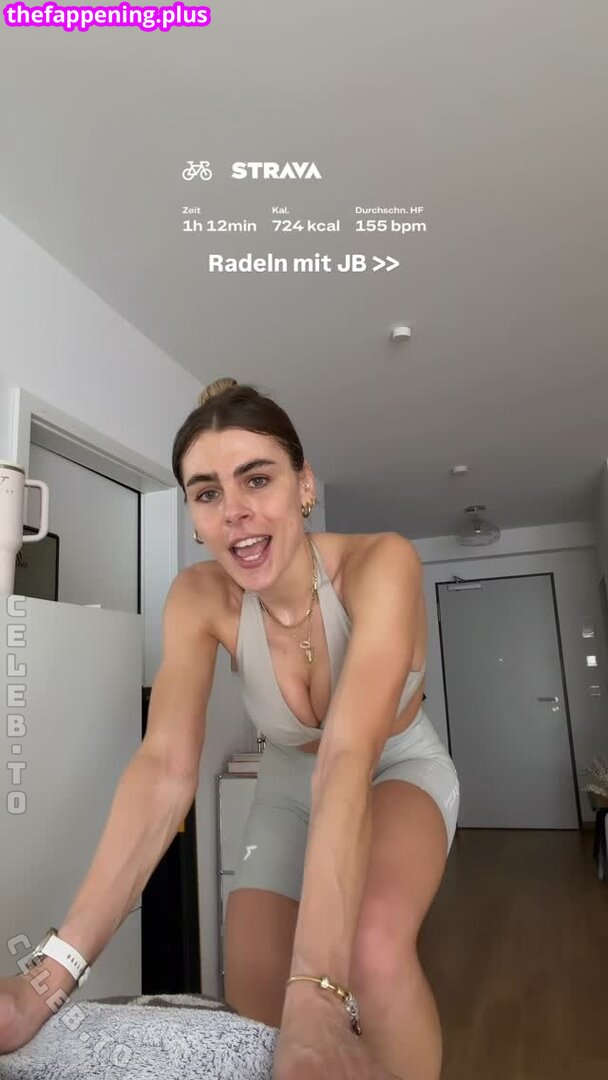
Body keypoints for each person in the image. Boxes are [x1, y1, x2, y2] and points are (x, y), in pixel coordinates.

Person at [0, 378, 459, 1080]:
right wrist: (48, 978)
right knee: (254, 981)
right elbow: (163, 772)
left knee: (368, 950)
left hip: (392, 766)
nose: (236, 511)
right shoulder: (196, 598)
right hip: (286, 784)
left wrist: (319, 997)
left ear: (304, 486)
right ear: (192, 515)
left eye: (258, 479)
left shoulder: (382, 563)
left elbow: (347, 754)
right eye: (208, 492)